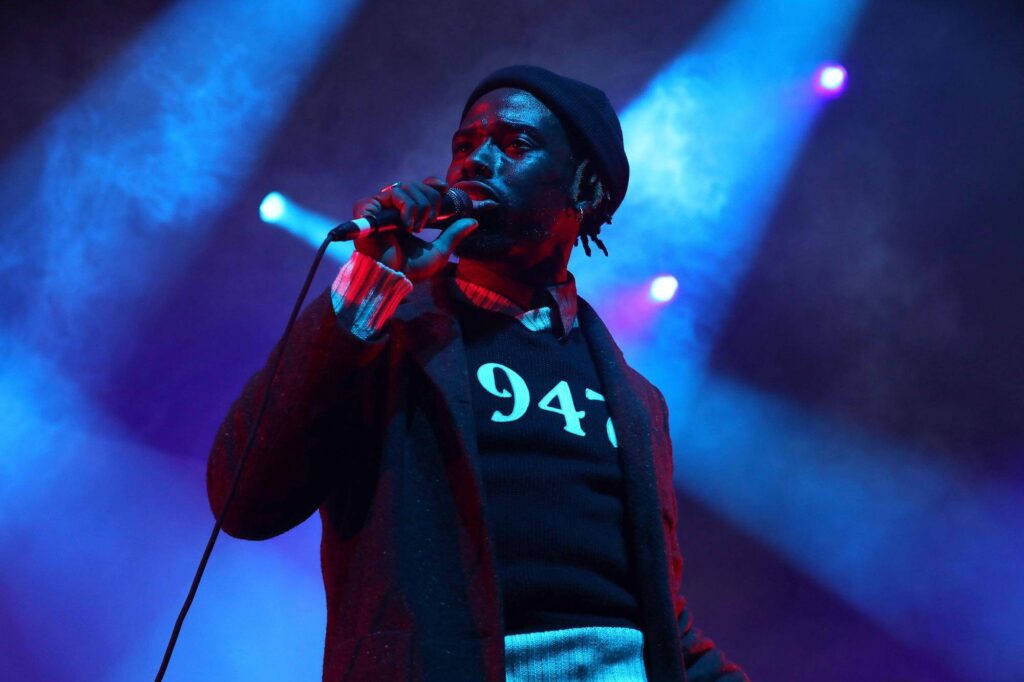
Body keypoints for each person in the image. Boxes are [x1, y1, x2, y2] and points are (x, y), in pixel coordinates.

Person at [207, 65, 748, 682]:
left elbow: (661, 620)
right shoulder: (387, 338)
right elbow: (245, 500)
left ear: (587, 188)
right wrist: (368, 286)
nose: (476, 161)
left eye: (515, 144)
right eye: (464, 145)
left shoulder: (636, 401)